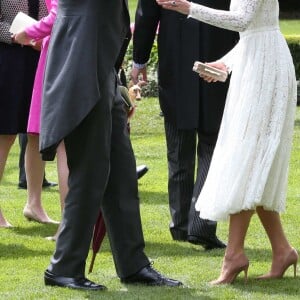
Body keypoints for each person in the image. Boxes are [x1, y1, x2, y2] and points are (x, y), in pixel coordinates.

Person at [39, 0, 182, 290]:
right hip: (82, 69)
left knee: (121, 174)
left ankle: (133, 264)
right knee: (90, 174)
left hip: (101, 70)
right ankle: (63, 267)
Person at [156, 0, 298, 284]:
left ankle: (234, 256)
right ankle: (282, 250)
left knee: (247, 158)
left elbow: (243, 21)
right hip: (256, 65)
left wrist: (189, 8)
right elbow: (253, 31)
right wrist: (226, 63)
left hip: (264, 72)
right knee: (254, 162)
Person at [131, 0, 238, 249]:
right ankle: (200, 224)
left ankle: (181, 224)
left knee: (180, 144)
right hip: (217, 45)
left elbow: (147, 12)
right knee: (211, 142)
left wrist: (139, 59)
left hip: (179, 51)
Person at [0, 0, 49, 227]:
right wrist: (17, 36)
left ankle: (34, 204)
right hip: (8, 58)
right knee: (5, 134)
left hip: (41, 60)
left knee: (37, 132)